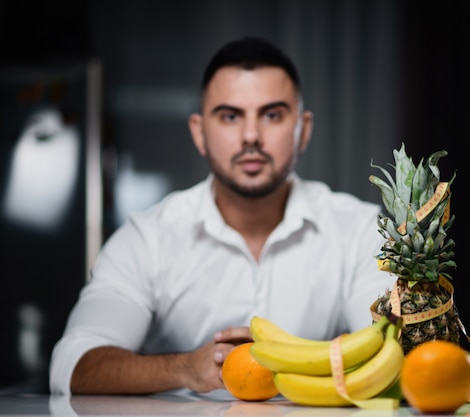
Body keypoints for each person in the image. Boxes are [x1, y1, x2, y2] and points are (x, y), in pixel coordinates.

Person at [49, 36, 392, 395]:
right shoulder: (149, 237)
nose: (250, 136)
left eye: (272, 115)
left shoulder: (360, 230)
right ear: (199, 132)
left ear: (303, 131)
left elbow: (391, 347)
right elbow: (72, 364)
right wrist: (183, 370)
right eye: (230, 116)